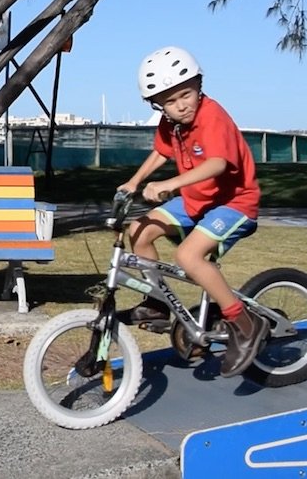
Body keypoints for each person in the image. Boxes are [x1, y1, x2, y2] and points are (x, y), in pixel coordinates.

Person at [116, 46, 267, 378]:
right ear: (159, 106)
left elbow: (217, 163)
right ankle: (157, 304)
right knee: (139, 231)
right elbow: (161, 151)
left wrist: (170, 184)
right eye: (170, 101)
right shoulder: (172, 123)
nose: (181, 104)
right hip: (197, 200)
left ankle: (244, 323)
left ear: (199, 85)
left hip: (234, 203)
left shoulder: (212, 116)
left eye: (186, 94)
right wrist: (135, 181)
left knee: (189, 256)